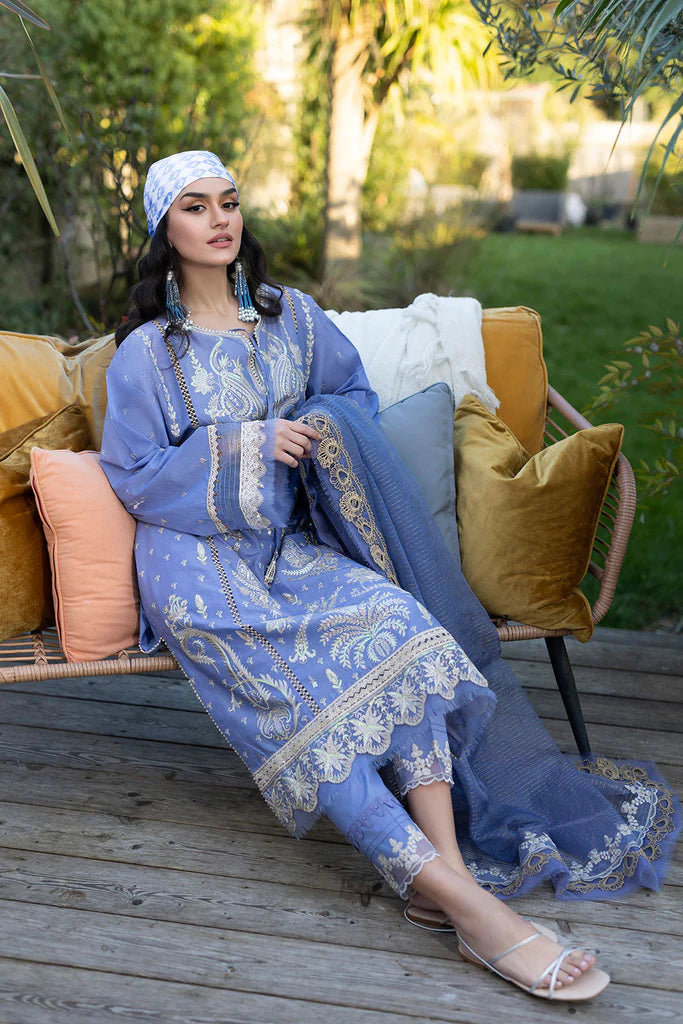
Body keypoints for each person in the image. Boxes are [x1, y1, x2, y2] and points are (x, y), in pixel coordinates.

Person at [100, 150, 679, 1002]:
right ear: (164, 229)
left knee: (404, 631)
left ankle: (442, 878)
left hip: (291, 547)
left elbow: (353, 403)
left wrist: (318, 428)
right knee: (308, 707)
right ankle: (474, 910)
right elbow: (134, 476)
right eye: (195, 207)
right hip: (196, 566)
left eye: (228, 201)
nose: (219, 220)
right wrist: (246, 443)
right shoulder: (149, 355)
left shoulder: (294, 320)